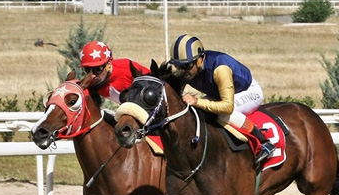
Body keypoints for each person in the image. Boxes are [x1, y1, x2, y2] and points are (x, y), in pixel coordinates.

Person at [168, 34, 274, 166]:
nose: (183, 71)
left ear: (199, 60)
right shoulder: (189, 69)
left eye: (187, 66)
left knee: (222, 114)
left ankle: (264, 142)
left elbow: (227, 106)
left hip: (248, 91)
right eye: (179, 66)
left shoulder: (220, 68)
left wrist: (197, 101)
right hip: (220, 93)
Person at [78, 40, 150, 104]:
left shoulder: (126, 67)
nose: (92, 76)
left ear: (108, 65)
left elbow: (154, 82)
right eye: (87, 70)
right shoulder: (91, 83)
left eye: (97, 69)